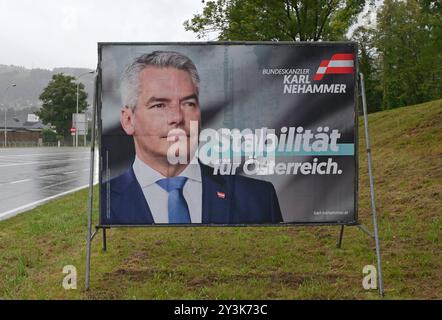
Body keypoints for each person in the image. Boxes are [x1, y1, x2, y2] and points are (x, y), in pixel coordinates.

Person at [101, 51, 283, 225]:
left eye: (188, 103)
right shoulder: (102, 203)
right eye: (159, 105)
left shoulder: (258, 198)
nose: (178, 118)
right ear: (128, 120)